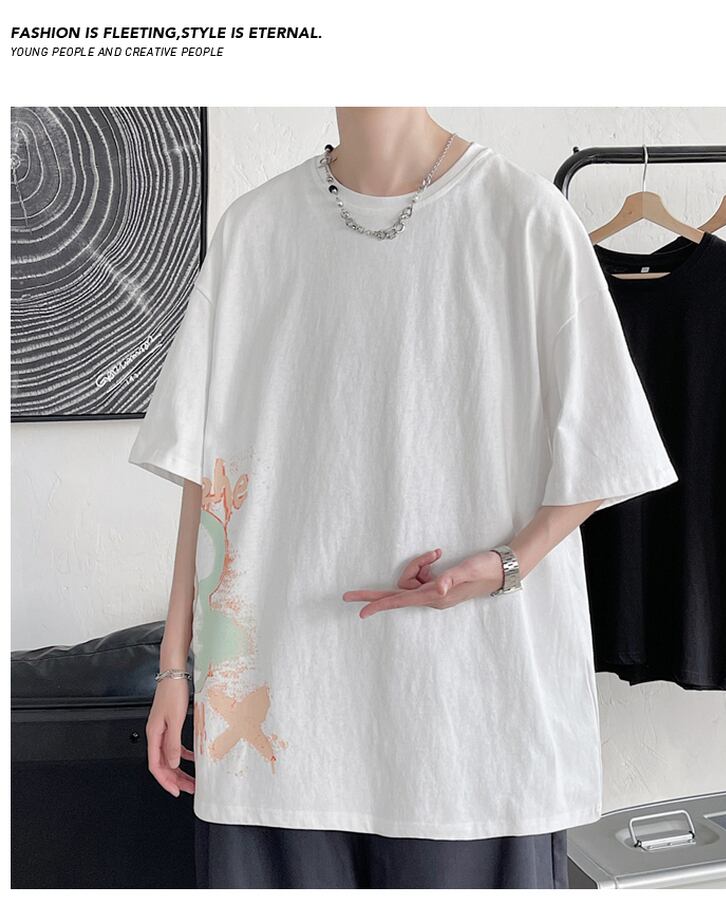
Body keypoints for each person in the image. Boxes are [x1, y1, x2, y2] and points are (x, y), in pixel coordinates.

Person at [129, 107, 677, 888]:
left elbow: (606, 444)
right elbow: (200, 465)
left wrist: (507, 563)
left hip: (470, 717)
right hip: (282, 718)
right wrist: (173, 668)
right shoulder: (255, 231)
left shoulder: (524, 217)